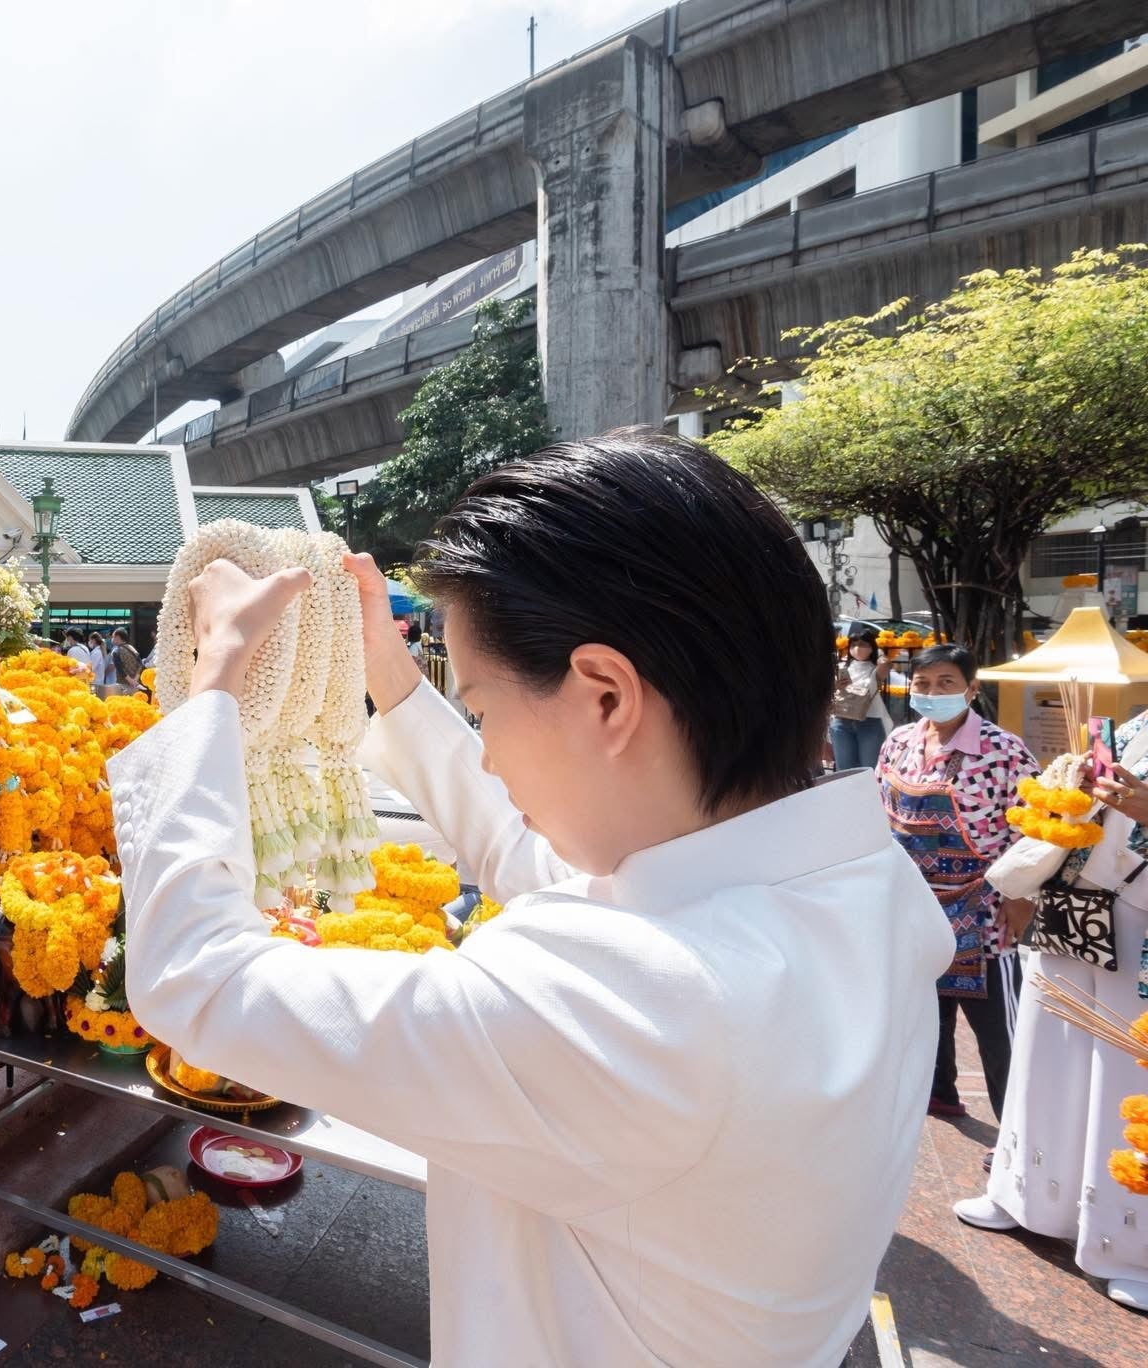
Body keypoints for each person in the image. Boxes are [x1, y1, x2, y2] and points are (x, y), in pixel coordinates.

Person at [110, 428, 951, 1364]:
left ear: (604, 696)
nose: (491, 753)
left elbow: (199, 977)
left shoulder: (646, 1002)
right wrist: (392, 678)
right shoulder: (850, 890)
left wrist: (213, 676)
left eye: (483, 712)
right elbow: (537, 856)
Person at [952, 711, 1148, 1310]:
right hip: (1076, 908)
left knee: (1125, 1076)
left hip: (1140, 921)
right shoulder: (1138, 723)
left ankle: (1128, 1246)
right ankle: (1024, 1194)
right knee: (1046, 1054)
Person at [874, 643, 1037, 1124]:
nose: (932, 693)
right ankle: (940, 1094)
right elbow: (878, 811)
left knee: (999, 1032)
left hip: (983, 908)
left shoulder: (1003, 750)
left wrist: (1022, 894)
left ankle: (1016, 1139)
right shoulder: (899, 741)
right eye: (923, 684)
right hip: (913, 905)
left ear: (971, 688)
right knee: (927, 1011)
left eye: (946, 683)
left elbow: (1033, 826)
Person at [829, 630, 894, 771]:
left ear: (871, 647)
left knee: (869, 769)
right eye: (854, 644)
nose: (857, 648)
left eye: (863, 644)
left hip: (870, 721)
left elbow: (886, 663)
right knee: (845, 771)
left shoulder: (875, 669)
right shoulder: (842, 668)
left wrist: (879, 652)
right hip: (841, 721)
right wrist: (836, 686)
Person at [108, 628, 142, 692]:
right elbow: (140, 664)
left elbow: (120, 669)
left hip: (123, 686)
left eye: (113, 637)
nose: (112, 639)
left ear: (117, 637)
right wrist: (135, 679)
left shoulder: (116, 651)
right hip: (135, 685)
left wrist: (130, 681)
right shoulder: (132, 648)